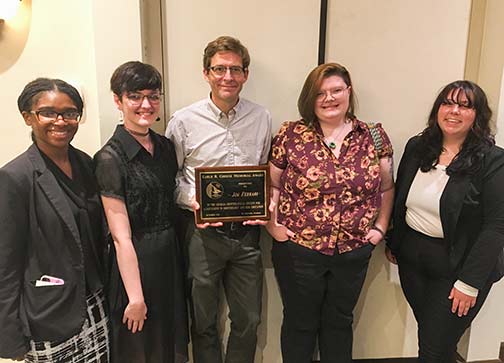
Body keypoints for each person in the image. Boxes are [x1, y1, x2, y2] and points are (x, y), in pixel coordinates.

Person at [266, 62, 394, 363]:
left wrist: (380, 228)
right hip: (299, 250)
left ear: (348, 92)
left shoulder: (373, 136)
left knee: (339, 323)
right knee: (300, 324)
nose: (329, 98)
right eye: (320, 93)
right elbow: (272, 183)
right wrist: (274, 227)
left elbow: (386, 187)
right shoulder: (291, 134)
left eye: (336, 90)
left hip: (353, 250)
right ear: (310, 98)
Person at [165, 36, 272, 363]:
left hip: (247, 235)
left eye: (235, 69)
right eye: (220, 69)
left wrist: (264, 203)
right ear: (206, 73)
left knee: (248, 319)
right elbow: (169, 177)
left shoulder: (262, 117)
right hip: (202, 234)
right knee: (203, 319)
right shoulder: (183, 121)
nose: (228, 76)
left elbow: (263, 168)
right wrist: (193, 200)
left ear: (246, 74)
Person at [386, 80, 504, 362]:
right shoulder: (418, 147)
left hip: (459, 266)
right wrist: (394, 242)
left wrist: (469, 283)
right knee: (435, 340)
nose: (454, 111)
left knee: (433, 349)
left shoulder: (492, 160)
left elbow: (497, 225)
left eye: (465, 106)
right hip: (413, 261)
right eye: (447, 103)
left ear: (478, 115)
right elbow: (400, 197)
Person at [0, 78, 110, 362]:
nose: (60, 121)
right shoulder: (15, 177)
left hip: (96, 304)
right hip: (49, 313)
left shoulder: (87, 164)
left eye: (70, 113)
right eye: (48, 112)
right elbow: (6, 264)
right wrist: (9, 337)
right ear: (28, 117)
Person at [94, 61, 188, 363]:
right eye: (135, 96)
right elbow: (121, 237)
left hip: (169, 257)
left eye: (153, 96)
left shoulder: (164, 146)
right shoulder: (110, 158)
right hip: (135, 263)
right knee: (139, 346)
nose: (146, 104)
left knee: (167, 342)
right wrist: (135, 297)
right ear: (118, 100)